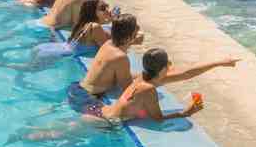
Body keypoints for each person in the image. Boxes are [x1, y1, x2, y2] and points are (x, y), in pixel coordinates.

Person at [86, 48, 239, 124]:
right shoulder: (148, 89)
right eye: (168, 64)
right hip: (104, 123)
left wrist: (219, 62)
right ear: (162, 69)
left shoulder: (144, 77)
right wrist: (184, 113)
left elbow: (186, 73)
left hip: (99, 112)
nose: (171, 66)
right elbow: (158, 119)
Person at [75, 12, 143, 102]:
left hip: (78, 89)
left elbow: (118, 76)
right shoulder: (120, 57)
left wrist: (140, 75)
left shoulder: (108, 44)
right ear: (130, 36)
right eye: (136, 29)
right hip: (89, 98)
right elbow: (128, 89)